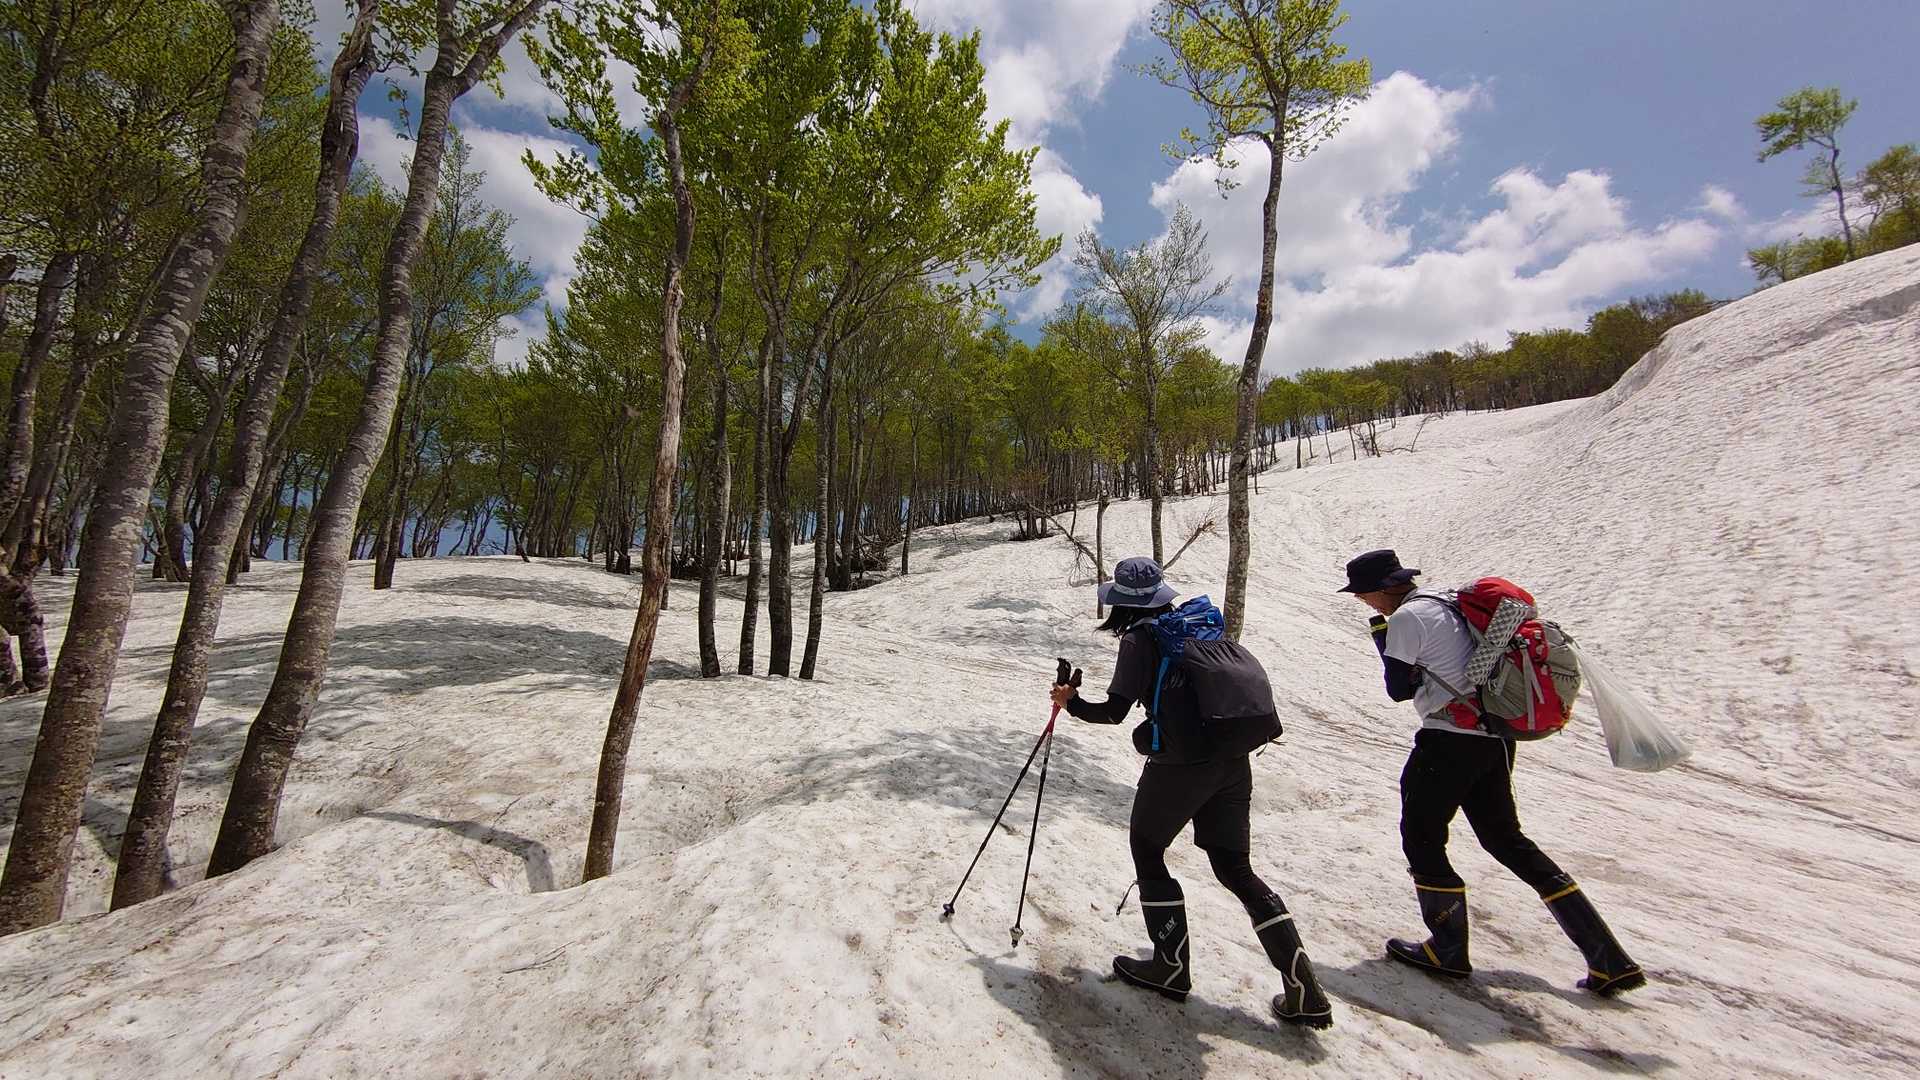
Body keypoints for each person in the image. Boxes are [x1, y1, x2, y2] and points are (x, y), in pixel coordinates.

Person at [1340, 548, 1645, 996]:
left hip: (1448, 739)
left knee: (1421, 835)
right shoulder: (1449, 602)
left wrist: (1382, 637)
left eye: (1363, 594)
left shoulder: (1405, 619)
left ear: (1382, 589)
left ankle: (1447, 948)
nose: (1362, 601)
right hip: (1495, 737)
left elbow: (1398, 689)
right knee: (1507, 840)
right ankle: (1608, 957)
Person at [1052, 556, 1334, 1029]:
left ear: (1120, 603)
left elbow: (1114, 712)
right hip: (1231, 761)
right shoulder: (1196, 624)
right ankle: (1305, 989)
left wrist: (1071, 702)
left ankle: (1170, 967)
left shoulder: (1140, 639)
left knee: (1147, 849)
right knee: (1235, 869)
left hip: (1181, 767)